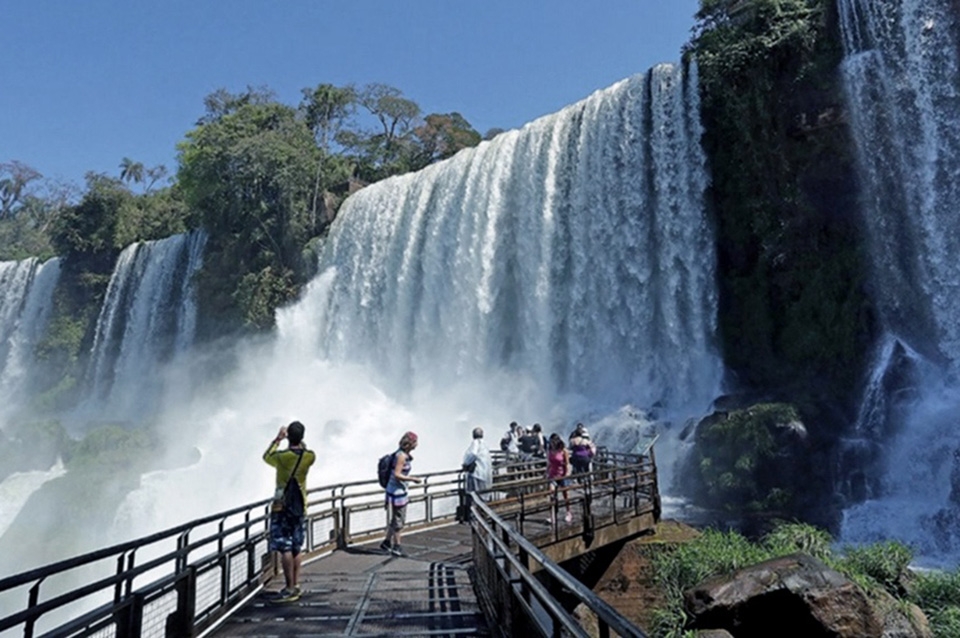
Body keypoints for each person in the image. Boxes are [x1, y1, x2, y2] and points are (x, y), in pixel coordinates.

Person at [263, 420, 316, 602]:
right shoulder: (309, 456)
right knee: (296, 547)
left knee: (284, 547)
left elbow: (266, 456)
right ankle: (296, 583)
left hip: (282, 507)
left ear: (288, 437)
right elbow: (304, 449)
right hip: (301, 506)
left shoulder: (282, 457)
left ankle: (289, 587)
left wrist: (278, 439)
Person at [381, 431, 422, 557]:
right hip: (397, 492)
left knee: (395, 518)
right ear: (409, 444)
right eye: (415, 442)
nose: (417, 444)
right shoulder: (401, 456)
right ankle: (397, 546)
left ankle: (387, 542)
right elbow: (397, 474)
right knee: (399, 520)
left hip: (395, 490)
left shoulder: (402, 454)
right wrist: (412, 479)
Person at [545, 433, 572, 524]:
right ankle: (552, 516)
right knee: (552, 494)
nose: (551, 444)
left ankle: (568, 512)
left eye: (552, 442)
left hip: (562, 475)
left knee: (566, 495)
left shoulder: (564, 451)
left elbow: (567, 463)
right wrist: (546, 472)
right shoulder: (549, 451)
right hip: (553, 475)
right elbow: (549, 464)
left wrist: (567, 473)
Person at [462, 426, 493, 495]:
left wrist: (466, 463)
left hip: (477, 472)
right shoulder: (485, 444)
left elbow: (473, 454)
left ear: (473, 435)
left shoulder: (475, 442)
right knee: (483, 493)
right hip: (485, 472)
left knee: (474, 493)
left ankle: (474, 504)